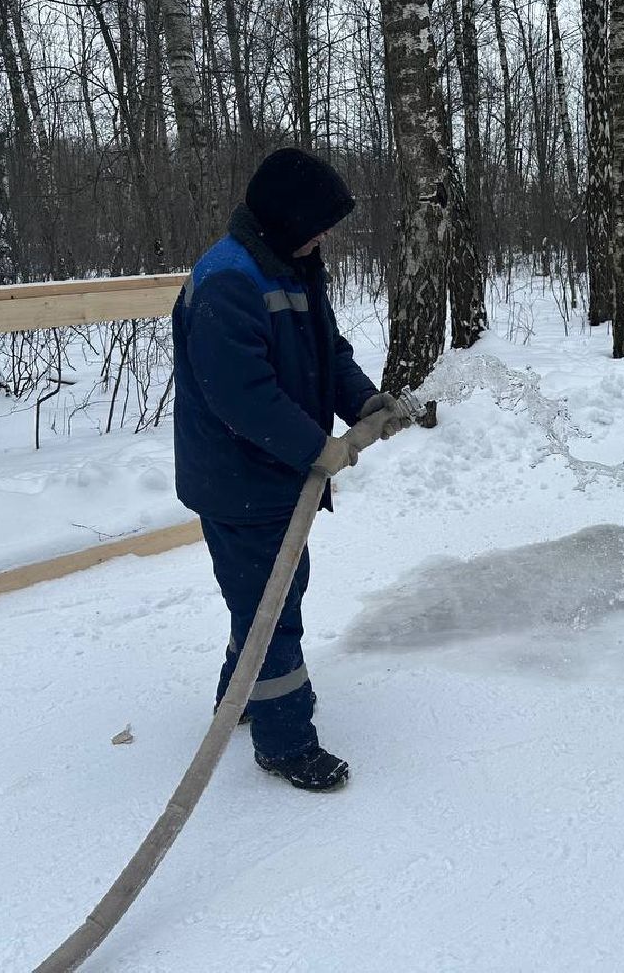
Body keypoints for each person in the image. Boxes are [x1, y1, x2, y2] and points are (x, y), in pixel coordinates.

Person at [172, 148, 407, 791]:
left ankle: (241, 695)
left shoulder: (292, 264)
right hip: (238, 479)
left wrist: (363, 400)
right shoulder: (230, 280)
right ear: (286, 218)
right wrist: (316, 446)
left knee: (262, 598)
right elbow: (240, 394)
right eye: (320, 222)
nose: (326, 235)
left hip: (275, 473)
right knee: (272, 606)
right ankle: (285, 742)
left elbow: (326, 352)